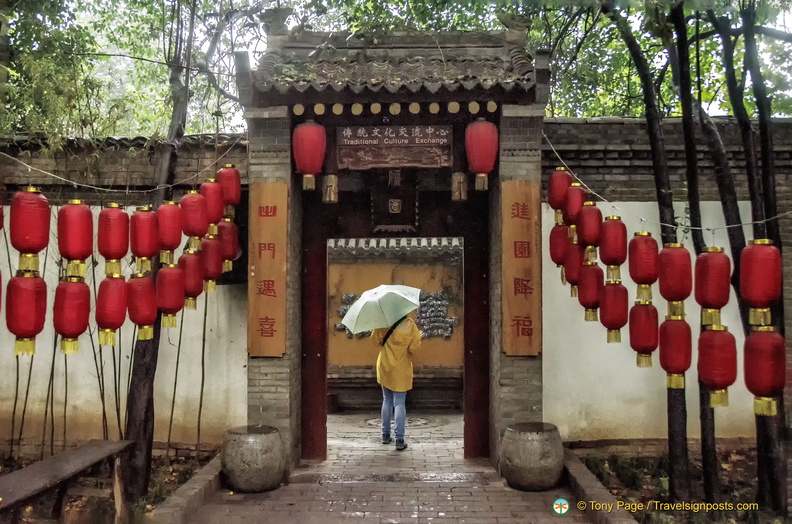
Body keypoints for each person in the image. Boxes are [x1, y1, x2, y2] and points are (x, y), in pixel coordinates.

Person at [371, 313, 421, 451]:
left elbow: (375, 340)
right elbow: (414, 347)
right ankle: (400, 439)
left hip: (385, 365)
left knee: (386, 399)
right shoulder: (410, 325)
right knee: (399, 402)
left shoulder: (383, 322)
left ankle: (385, 435)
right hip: (401, 367)